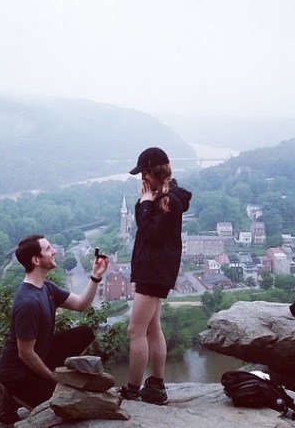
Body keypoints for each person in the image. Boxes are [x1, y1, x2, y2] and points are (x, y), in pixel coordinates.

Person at [0, 234, 109, 424]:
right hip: (18, 373)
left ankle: (39, 382)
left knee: (84, 333)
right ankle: (10, 395)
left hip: (41, 352)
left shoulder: (46, 287)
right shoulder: (28, 303)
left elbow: (81, 304)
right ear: (36, 260)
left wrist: (96, 276)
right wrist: (54, 378)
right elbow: (25, 354)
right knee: (63, 407)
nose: (54, 251)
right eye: (48, 249)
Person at [119, 147, 192, 405]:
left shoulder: (168, 200)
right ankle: (156, 386)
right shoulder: (163, 195)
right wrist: (147, 201)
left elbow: (150, 233)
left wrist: (145, 203)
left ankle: (132, 390)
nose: (142, 179)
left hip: (153, 271)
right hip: (155, 269)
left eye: (144, 174)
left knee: (135, 330)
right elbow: (148, 227)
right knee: (152, 327)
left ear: (154, 172)